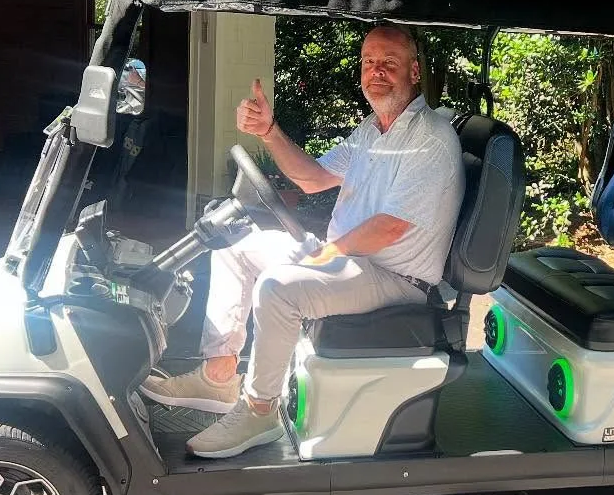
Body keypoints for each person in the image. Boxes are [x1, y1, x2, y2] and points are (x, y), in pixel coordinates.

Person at [141, 24, 464, 458]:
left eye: (389, 62)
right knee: (235, 247)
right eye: (369, 62)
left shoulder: (430, 138)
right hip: (351, 261)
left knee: (278, 289)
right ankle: (219, 376)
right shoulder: (373, 131)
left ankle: (260, 410)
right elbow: (313, 178)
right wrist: (268, 130)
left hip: (396, 278)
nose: (377, 72)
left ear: (414, 71)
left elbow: (390, 227)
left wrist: (326, 255)